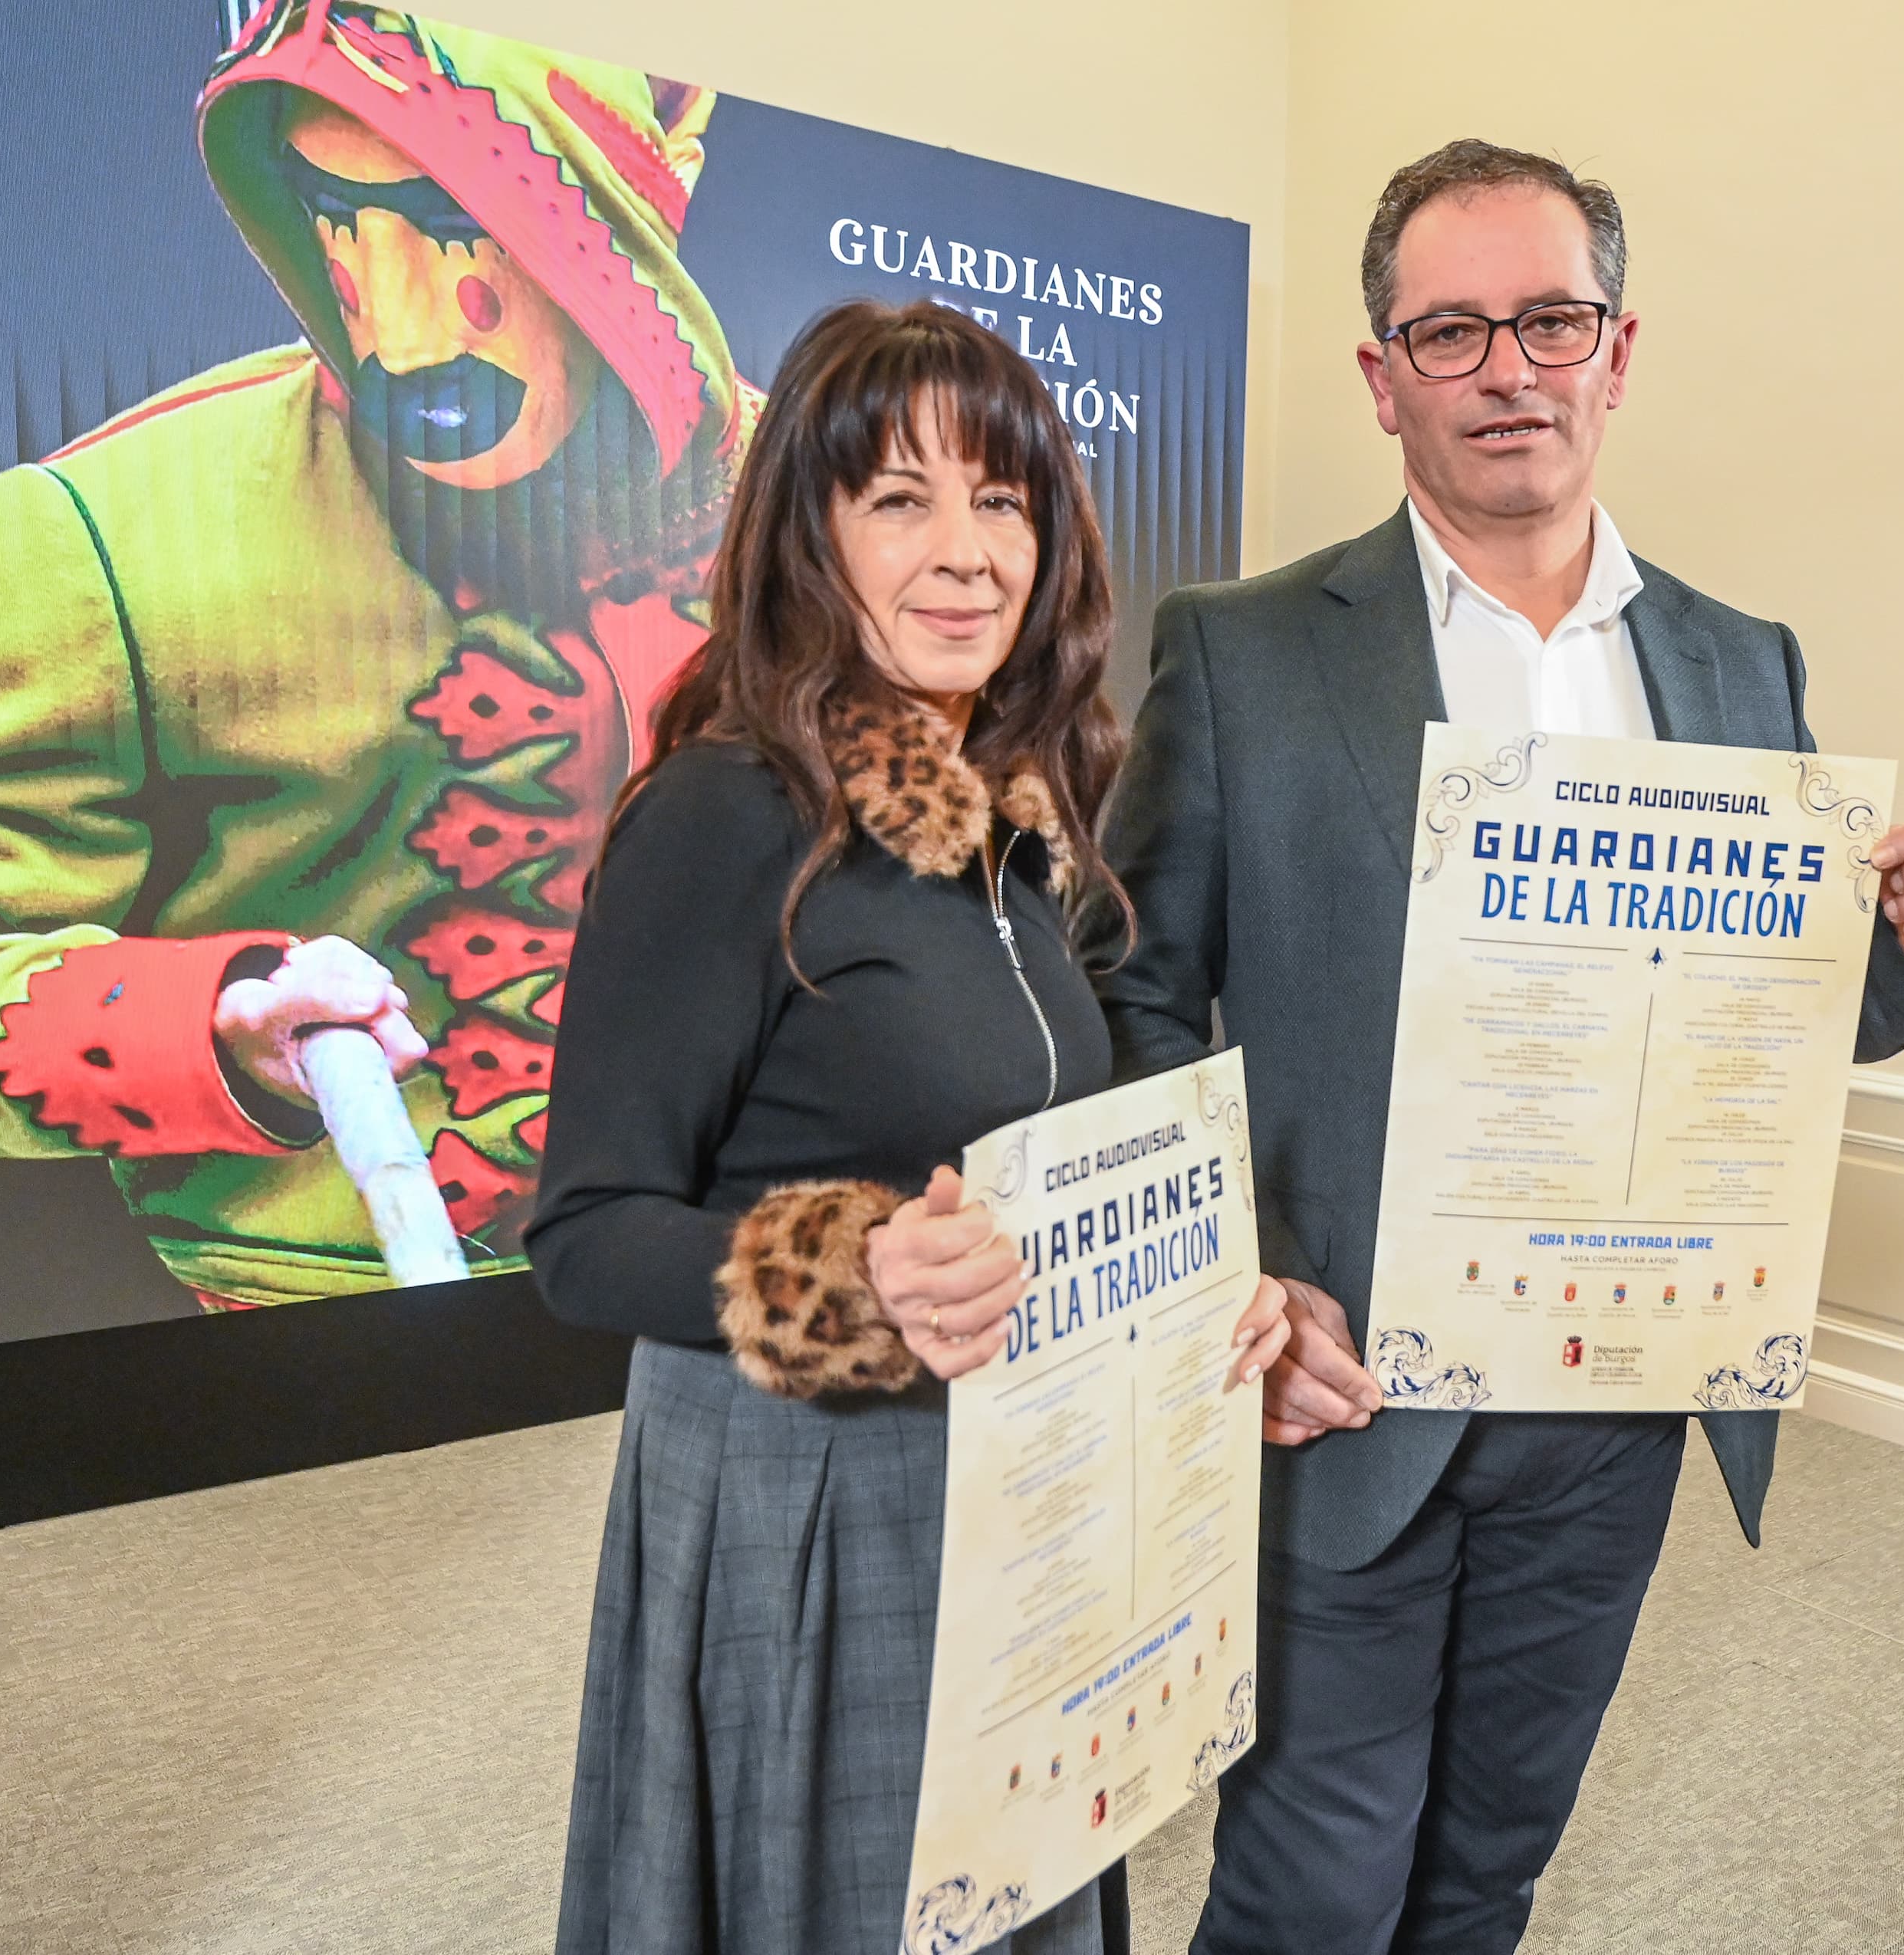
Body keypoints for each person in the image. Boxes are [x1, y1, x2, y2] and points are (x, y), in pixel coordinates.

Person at [1085, 140, 1904, 1953]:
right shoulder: (1244, 653)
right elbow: (1134, 998)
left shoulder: (1741, 664)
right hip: (1347, 1393)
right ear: (1384, 379)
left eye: (1552, 320)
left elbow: (1768, 1017)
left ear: (1619, 350)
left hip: (1617, 1398)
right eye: (1451, 331)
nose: (1509, 367)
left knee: (1488, 1874)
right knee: (1310, 1891)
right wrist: (1233, 1286)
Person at [0, 8, 755, 1306]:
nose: (400, 336)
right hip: (303, 1353)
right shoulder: (107, 532)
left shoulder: (815, 506)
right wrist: (212, 1024)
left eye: (453, 222)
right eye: (337, 216)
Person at [528, 298, 1294, 1955]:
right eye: (899, 499)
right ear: (809, 537)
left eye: (1001, 501)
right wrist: (854, 1272)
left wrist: (1192, 1302)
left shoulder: (1010, 836)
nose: (966, 553)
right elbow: (583, 1234)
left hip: (1016, 1466)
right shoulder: (728, 811)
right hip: (813, 1500)